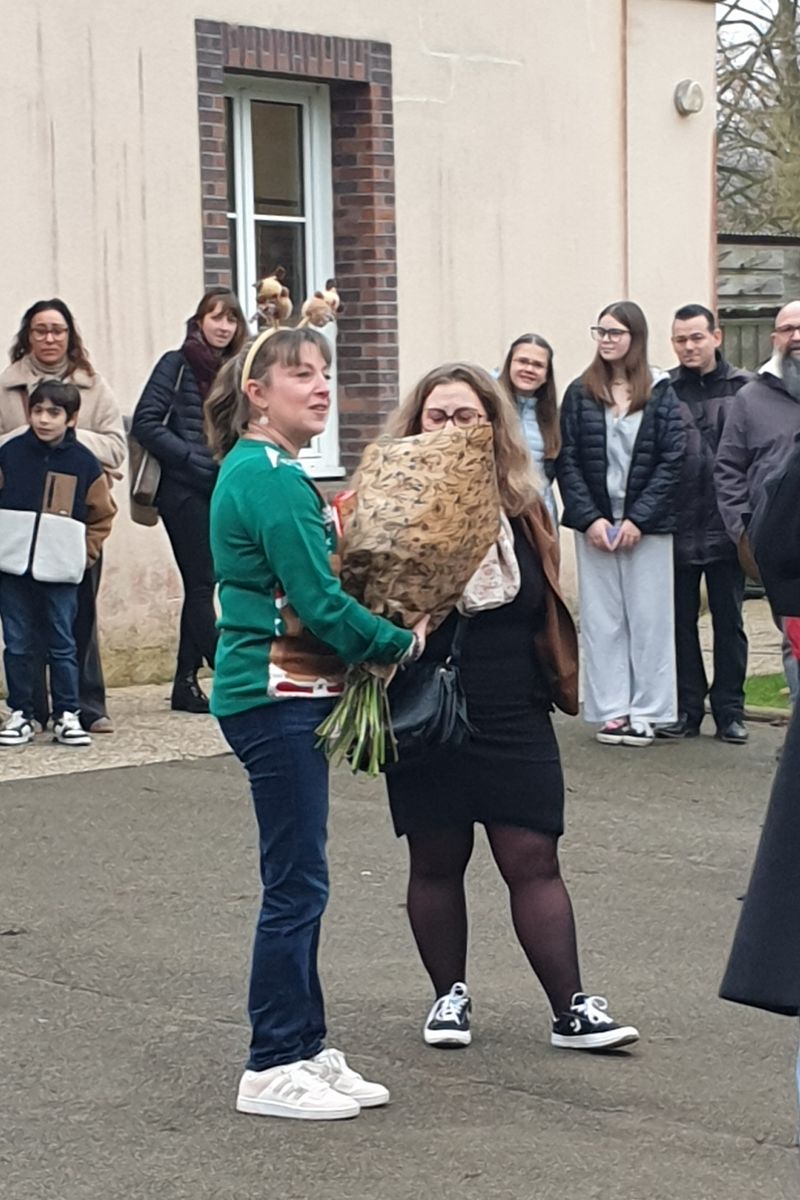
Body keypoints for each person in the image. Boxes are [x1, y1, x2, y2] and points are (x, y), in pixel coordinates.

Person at [204, 325, 429, 1122]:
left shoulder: (274, 473)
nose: (321, 385)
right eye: (300, 373)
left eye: (325, 371)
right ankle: (271, 1062)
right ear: (257, 394)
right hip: (273, 694)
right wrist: (396, 641)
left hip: (287, 692)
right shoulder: (265, 477)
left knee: (303, 878)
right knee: (295, 884)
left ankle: (304, 1044)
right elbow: (318, 601)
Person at [382, 363, 639, 1054]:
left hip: (513, 706)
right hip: (430, 705)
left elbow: (539, 601)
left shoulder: (523, 503)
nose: (452, 428)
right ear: (416, 425)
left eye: (467, 415)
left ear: (493, 424)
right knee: (436, 858)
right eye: (438, 415)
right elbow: (372, 608)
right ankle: (449, 998)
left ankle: (571, 1009)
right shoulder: (393, 507)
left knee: (533, 857)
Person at [557, 301, 685, 747]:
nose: (607, 340)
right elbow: (567, 459)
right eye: (601, 331)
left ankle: (648, 713)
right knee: (602, 620)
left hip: (647, 528)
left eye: (615, 332)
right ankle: (612, 710)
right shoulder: (580, 392)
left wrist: (638, 519)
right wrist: (590, 519)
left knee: (650, 621)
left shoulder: (661, 391)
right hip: (596, 526)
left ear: (635, 337)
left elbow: (672, 460)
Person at [0, 299, 125, 734]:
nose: (49, 338)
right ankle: (29, 709)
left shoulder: (93, 386)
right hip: (18, 536)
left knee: (76, 622)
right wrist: (23, 437)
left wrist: (70, 441)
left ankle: (84, 706)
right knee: (20, 630)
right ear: (27, 336)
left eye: (58, 330)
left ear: (70, 336)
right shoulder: (7, 385)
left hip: (72, 525)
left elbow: (116, 447)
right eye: (40, 330)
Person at [132, 288, 247, 712]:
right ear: (199, 322)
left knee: (202, 583)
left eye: (231, 319)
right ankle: (231, 675)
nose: (223, 326)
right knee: (201, 583)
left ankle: (185, 683)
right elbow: (145, 422)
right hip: (181, 489)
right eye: (215, 317)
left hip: (219, 486)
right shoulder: (176, 363)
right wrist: (188, 456)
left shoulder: (237, 370)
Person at [655, 305, 751, 745]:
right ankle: (687, 708)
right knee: (679, 624)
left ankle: (730, 710)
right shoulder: (663, 391)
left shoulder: (745, 389)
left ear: (717, 336)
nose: (689, 346)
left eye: (696, 337)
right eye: (680, 339)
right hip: (676, 524)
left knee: (729, 622)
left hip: (728, 525)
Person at [715, 300, 800, 707]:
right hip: (783, 549)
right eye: (787, 329)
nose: (796, 337)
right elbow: (728, 468)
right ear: (773, 338)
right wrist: (744, 532)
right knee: (795, 641)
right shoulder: (750, 399)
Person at [497, 333, 560, 527]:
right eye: (523, 361)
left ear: (546, 375)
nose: (529, 369)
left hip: (539, 518)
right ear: (509, 365)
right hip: (499, 515)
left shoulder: (553, 418)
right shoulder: (490, 409)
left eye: (538, 365)